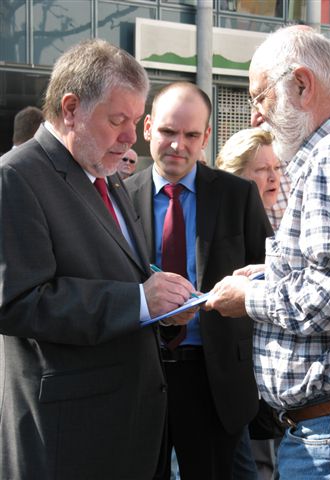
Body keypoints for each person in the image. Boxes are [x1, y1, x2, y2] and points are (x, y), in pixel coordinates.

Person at [0, 39, 197, 480]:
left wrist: (163, 304)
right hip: (70, 438)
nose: (131, 138)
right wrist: (139, 302)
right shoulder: (15, 177)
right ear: (70, 108)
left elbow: (121, 269)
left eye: (136, 120)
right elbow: (18, 302)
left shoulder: (102, 173)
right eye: (117, 120)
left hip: (124, 429)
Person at [205, 25, 330, 479]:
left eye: (259, 97)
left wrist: (250, 300)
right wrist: (273, 274)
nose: (255, 116)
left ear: (301, 85)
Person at [125, 81, 272, 480]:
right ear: (148, 127)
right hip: (142, 375)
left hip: (215, 379)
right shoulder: (119, 196)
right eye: (169, 132)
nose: (178, 145)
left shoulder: (237, 195)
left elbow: (269, 272)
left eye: (191, 135)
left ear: (207, 136)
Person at [216, 127, 285, 480]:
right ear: (236, 174)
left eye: (276, 168)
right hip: (238, 384)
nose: (273, 177)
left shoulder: (287, 223)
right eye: (261, 170)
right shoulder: (222, 227)